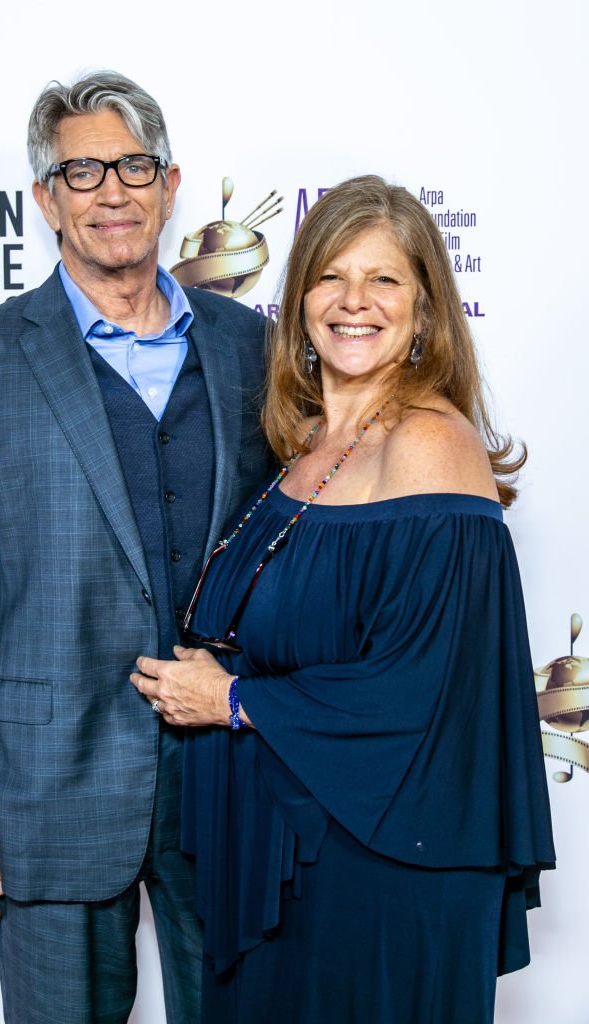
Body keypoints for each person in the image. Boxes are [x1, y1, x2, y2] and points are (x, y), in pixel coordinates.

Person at [131, 175, 556, 1023]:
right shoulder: (303, 449)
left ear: (425, 310)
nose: (352, 301)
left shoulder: (430, 445)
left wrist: (232, 700)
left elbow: (427, 690)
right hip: (293, 855)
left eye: (384, 279)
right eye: (330, 275)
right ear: (299, 302)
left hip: (384, 869)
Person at [0, 70, 272, 1024]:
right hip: (47, 786)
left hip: (228, 780)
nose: (112, 190)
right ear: (46, 199)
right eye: (81, 172)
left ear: (169, 183)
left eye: (132, 165)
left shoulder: (250, 350)